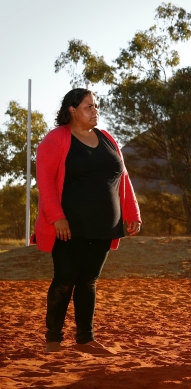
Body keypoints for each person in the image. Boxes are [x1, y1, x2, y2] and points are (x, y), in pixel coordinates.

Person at [34, 88, 141, 354]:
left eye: (96, 106)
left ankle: (85, 339)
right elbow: (45, 183)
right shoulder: (55, 139)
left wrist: (132, 212)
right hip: (69, 226)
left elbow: (122, 177)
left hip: (105, 225)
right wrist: (57, 218)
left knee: (89, 281)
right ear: (72, 110)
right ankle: (53, 340)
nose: (95, 111)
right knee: (64, 279)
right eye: (89, 107)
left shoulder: (107, 138)